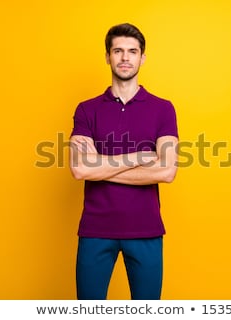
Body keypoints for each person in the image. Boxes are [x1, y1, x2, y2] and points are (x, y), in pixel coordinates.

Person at [69, 23, 179, 300]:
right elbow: (80, 168)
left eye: (132, 51)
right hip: (95, 230)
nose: (125, 58)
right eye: (118, 51)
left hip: (146, 229)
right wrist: (138, 158)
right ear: (108, 56)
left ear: (143, 57)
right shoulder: (87, 109)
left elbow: (166, 171)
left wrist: (100, 167)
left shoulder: (163, 108)